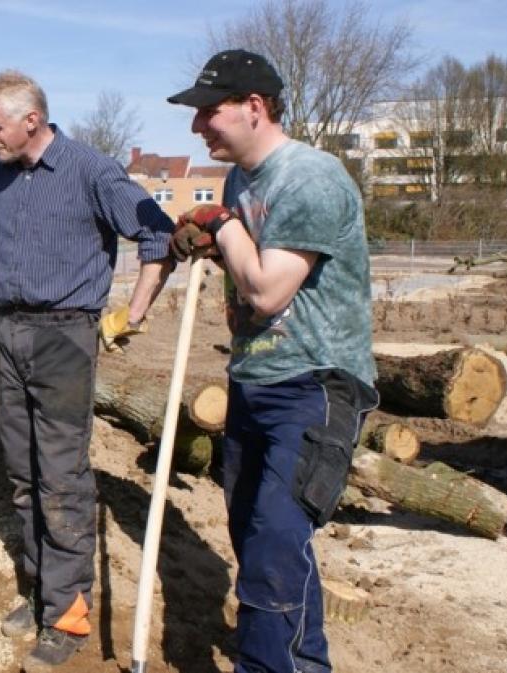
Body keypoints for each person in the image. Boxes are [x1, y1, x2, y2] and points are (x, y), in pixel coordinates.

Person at [167, 50, 378, 673]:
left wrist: (221, 225)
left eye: (209, 111)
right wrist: (216, 245)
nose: (197, 126)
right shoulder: (241, 181)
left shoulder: (310, 178)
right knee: (258, 541)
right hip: (254, 380)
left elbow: (266, 292)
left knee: (272, 547)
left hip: (314, 385)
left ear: (254, 107)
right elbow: (244, 287)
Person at [0, 69, 174, 671]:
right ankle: (41, 592)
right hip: (7, 331)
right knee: (23, 474)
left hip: (65, 335)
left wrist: (133, 314)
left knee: (61, 478)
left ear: (31, 120)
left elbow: (157, 236)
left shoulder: (91, 170)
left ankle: (68, 614)